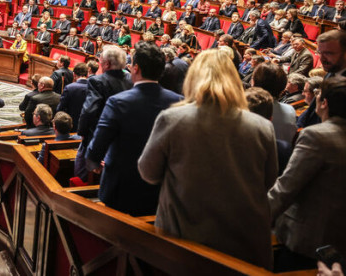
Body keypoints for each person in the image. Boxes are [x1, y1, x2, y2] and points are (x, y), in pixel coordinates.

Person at [138, 49, 277, 269]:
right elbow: (268, 182)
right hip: (244, 245)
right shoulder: (262, 127)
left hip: (186, 243)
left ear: (193, 78)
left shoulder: (173, 118)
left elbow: (148, 172)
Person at [86, 42, 183, 216]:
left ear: (135, 68)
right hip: (161, 187)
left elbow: (98, 145)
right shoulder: (178, 101)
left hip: (121, 189)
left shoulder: (118, 102)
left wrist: (93, 162)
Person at [269, 75, 346, 269]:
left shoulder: (316, 136)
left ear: (324, 103)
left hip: (306, 241)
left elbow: (286, 189)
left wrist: (253, 217)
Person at [76, 46, 133, 182]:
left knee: (82, 169)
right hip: (124, 135)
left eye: (100, 60)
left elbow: (89, 110)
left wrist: (82, 131)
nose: (99, 63)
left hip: (99, 134)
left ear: (107, 63)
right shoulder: (131, 79)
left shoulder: (97, 81)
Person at [57, 63, 90, 132]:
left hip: (71, 126)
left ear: (74, 74)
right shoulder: (93, 88)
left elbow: (60, 108)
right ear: (87, 75)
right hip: (87, 126)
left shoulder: (69, 88)